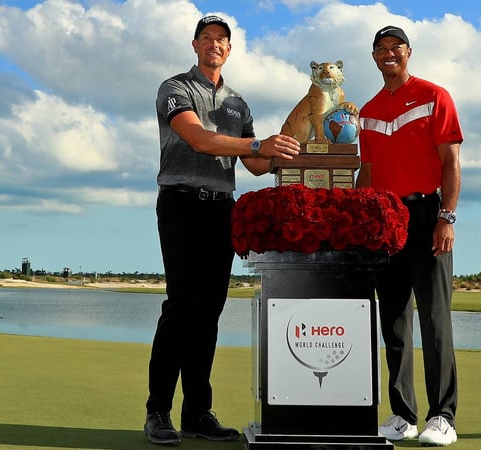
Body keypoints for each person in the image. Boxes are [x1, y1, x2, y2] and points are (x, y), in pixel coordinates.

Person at [145, 15, 301, 446]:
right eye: (207, 38)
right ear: (195, 45)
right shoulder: (174, 88)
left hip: (221, 211)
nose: (215, 45)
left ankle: (196, 413)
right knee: (181, 307)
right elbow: (198, 139)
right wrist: (257, 145)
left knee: (209, 311)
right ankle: (158, 411)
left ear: (229, 50)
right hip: (180, 204)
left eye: (222, 40)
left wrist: (290, 149)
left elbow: (253, 164)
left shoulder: (237, 104)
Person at [356, 25, 462, 447]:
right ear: (374, 57)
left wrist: (447, 217)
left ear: (408, 53)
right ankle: (403, 415)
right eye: (380, 49)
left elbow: (451, 162)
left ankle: (443, 417)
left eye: (395, 48)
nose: (388, 54)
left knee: (435, 319)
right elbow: (367, 171)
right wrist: (362, 218)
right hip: (386, 220)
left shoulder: (435, 96)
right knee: (394, 320)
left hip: (426, 213)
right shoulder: (367, 110)